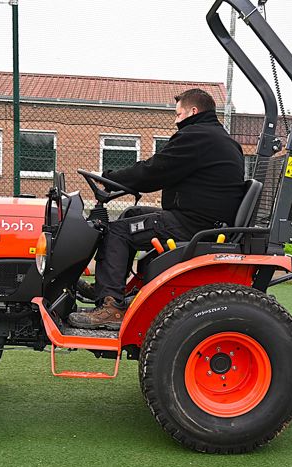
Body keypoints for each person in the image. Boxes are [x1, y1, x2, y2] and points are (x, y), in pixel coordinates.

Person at [68, 88, 246, 330]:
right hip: (205, 219)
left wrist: (110, 177)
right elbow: (161, 174)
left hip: (196, 224)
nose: (176, 119)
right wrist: (126, 182)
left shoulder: (198, 137)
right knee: (131, 215)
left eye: (178, 113)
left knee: (119, 231)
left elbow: (155, 170)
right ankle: (107, 290)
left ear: (193, 111)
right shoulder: (215, 137)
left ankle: (110, 308)